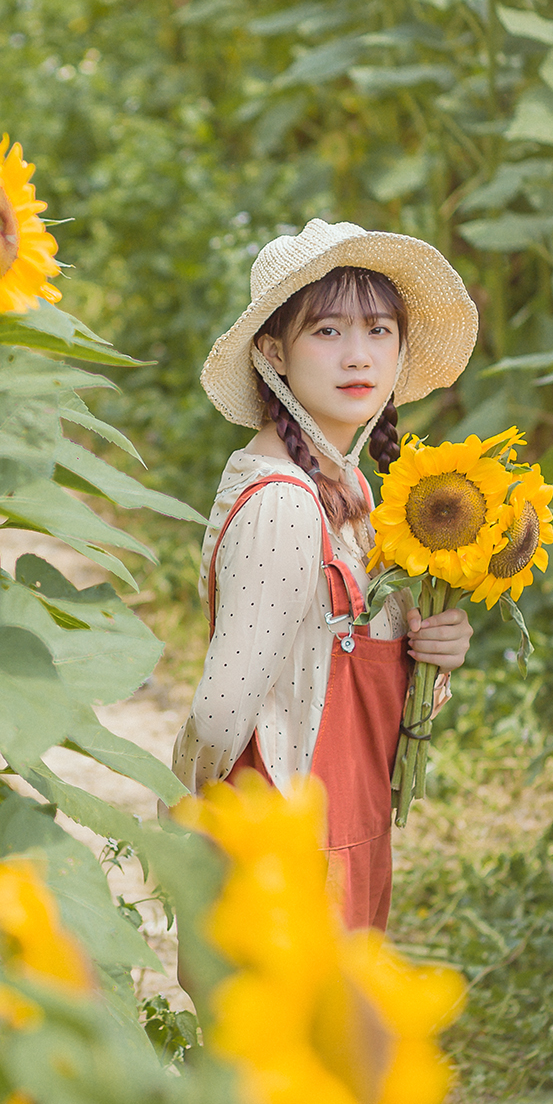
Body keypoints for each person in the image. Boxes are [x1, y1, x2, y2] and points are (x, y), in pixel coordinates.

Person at [173, 218, 480, 935]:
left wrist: (435, 651)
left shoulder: (352, 495)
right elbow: (221, 714)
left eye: (378, 331)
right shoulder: (284, 503)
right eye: (327, 331)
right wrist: (181, 802)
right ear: (274, 352)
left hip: (342, 835)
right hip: (287, 851)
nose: (357, 355)